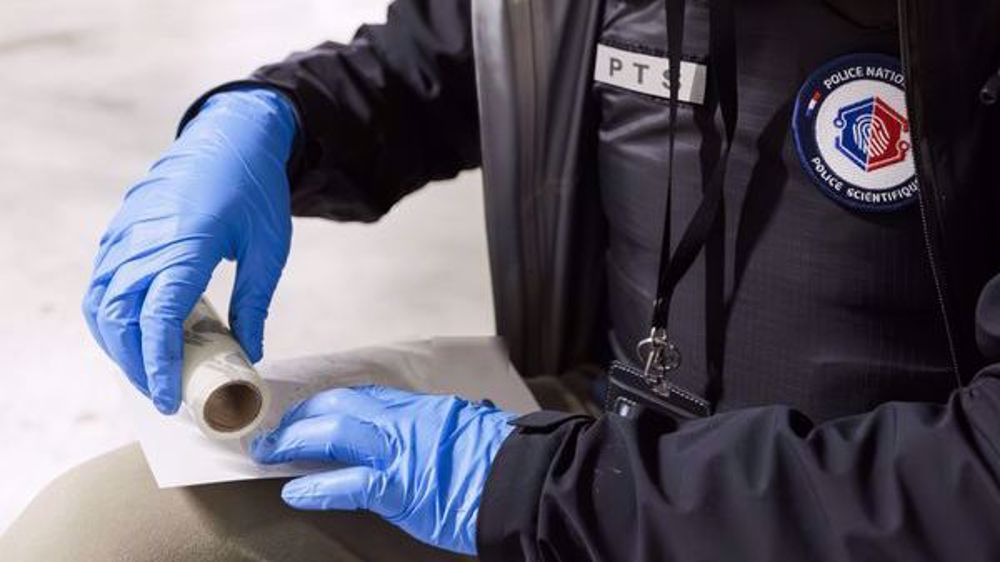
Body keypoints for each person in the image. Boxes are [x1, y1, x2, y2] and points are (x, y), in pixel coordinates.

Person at [5, 0, 1000, 560]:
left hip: (848, 519)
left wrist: (540, 489)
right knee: (95, 541)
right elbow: (443, 55)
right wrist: (268, 122)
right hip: (587, 445)